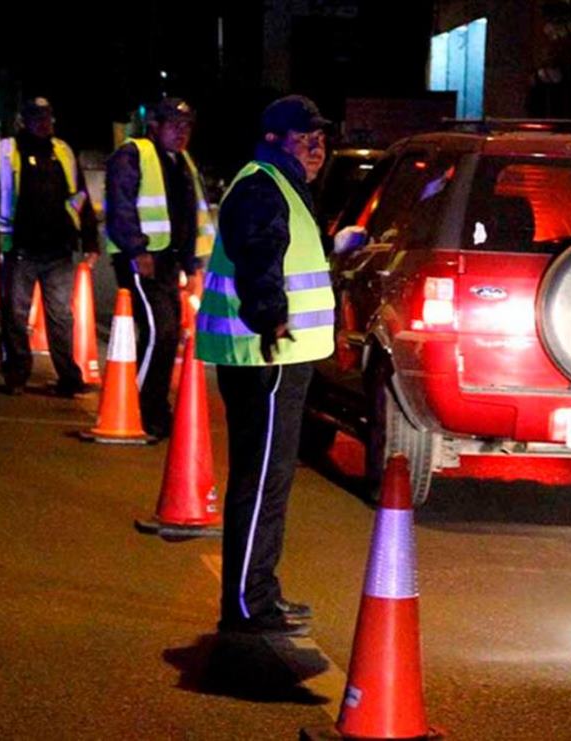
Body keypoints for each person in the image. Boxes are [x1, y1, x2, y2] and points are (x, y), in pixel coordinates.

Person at [196, 95, 334, 636]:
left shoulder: (279, 185)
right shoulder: (262, 187)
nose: (318, 147)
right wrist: (270, 317)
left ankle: (258, 594)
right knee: (262, 483)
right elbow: (259, 254)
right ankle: (250, 604)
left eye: (321, 137)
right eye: (306, 138)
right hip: (268, 356)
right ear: (275, 139)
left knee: (267, 482)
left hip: (273, 356)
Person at [104, 97, 214, 438]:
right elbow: (120, 205)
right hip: (142, 260)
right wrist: (137, 250)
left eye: (187, 126)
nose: (182, 133)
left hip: (169, 261)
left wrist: (193, 264)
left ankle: (154, 408)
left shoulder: (184, 163)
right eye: (174, 125)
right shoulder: (133, 154)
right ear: (155, 126)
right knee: (159, 331)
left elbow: (192, 214)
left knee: (166, 336)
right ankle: (138, 407)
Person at [0, 97, 99, 396]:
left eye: (48, 118)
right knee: (15, 315)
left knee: (61, 317)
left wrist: (89, 239)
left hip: (58, 250)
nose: (44, 124)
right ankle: (16, 375)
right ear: (24, 121)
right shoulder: (6, 151)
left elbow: (80, 196)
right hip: (21, 248)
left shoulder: (63, 151)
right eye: (37, 118)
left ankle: (69, 378)